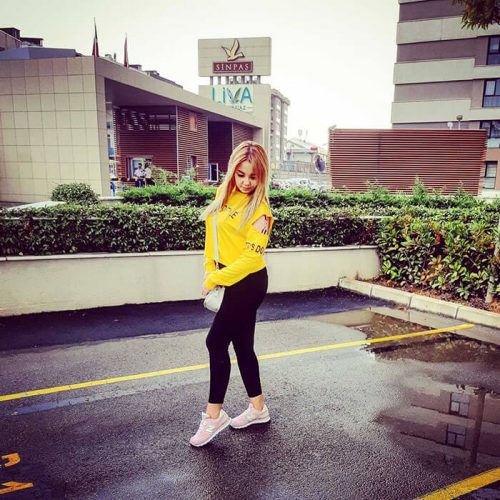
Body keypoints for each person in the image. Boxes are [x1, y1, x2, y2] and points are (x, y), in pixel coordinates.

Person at [190, 141, 274, 447]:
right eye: (241, 174)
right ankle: (258, 409)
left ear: (261, 177)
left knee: (215, 342)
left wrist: (215, 279)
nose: (246, 182)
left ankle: (214, 416)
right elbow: (211, 238)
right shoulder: (223, 195)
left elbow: (251, 259)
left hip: (249, 283)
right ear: (232, 171)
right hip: (227, 278)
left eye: (253, 176)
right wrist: (209, 270)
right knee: (242, 346)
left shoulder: (261, 211)